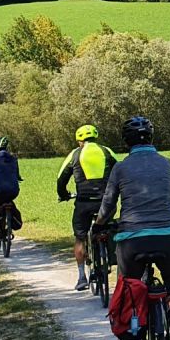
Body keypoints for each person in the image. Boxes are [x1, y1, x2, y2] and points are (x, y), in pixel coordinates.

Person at [94, 115, 170, 340]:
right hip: (168, 236)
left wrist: (99, 224)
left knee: (127, 286)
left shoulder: (120, 168)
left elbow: (108, 203)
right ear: (151, 138)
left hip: (132, 240)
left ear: (126, 142)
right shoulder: (166, 163)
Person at [56, 124, 117, 292]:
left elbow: (61, 178)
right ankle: (109, 258)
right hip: (106, 202)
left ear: (79, 141)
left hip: (84, 203)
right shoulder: (106, 151)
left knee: (80, 238)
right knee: (108, 229)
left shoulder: (75, 154)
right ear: (96, 137)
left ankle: (82, 276)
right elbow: (120, 170)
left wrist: (63, 194)